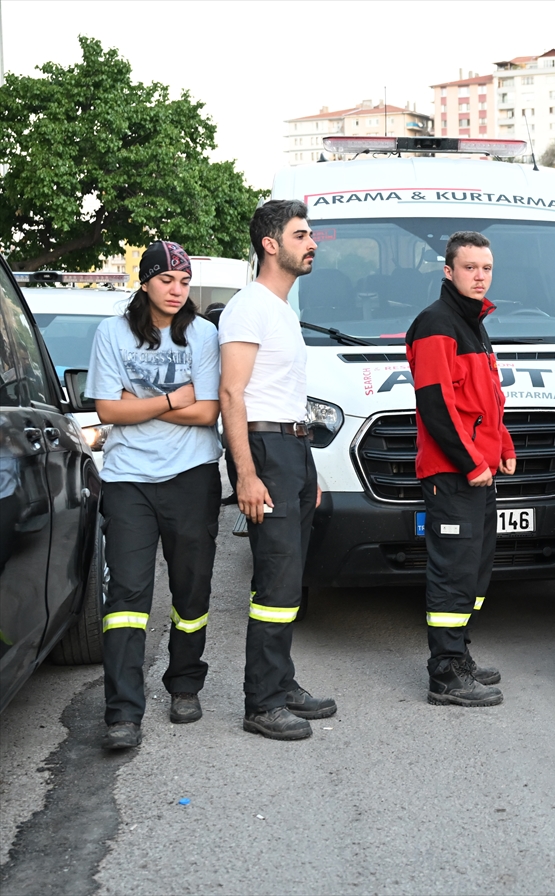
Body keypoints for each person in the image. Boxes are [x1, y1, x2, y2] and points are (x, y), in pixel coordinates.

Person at [87, 241, 222, 750]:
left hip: (192, 473)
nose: (176, 290)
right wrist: (171, 399)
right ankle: (122, 713)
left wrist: (138, 403)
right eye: (167, 280)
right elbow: (105, 409)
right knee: (125, 597)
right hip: (128, 478)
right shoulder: (112, 333)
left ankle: (185, 684)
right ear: (144, 282)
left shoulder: (204, 334)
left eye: (184, 282)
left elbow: (207, 412)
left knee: (191, 590)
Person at [219, 200, 337, 740]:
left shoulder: (282, 310)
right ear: (271, 244)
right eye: (301, 234)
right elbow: (231, 393)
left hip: (291, 449)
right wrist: (245, 473)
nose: (311, 243)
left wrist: (308, 472)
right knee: (273, 580)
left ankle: (281, 682)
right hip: (264, 450)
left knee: (290, 579)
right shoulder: (249, 307)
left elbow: (288, 398)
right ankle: (261, 703)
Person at [405, 231, 515, 707]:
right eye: (470, 268)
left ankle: (459, 655)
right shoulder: (436, 323)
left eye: (486, 268)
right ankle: (445, 674)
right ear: (448, 271)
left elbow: (486, 400)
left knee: (474, 569)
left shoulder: (474, 322)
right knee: (452, 572)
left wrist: (504, 445)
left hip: (476, 473)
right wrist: (472, 463)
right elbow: (436, 405)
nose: (480, 276)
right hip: (452, 474)